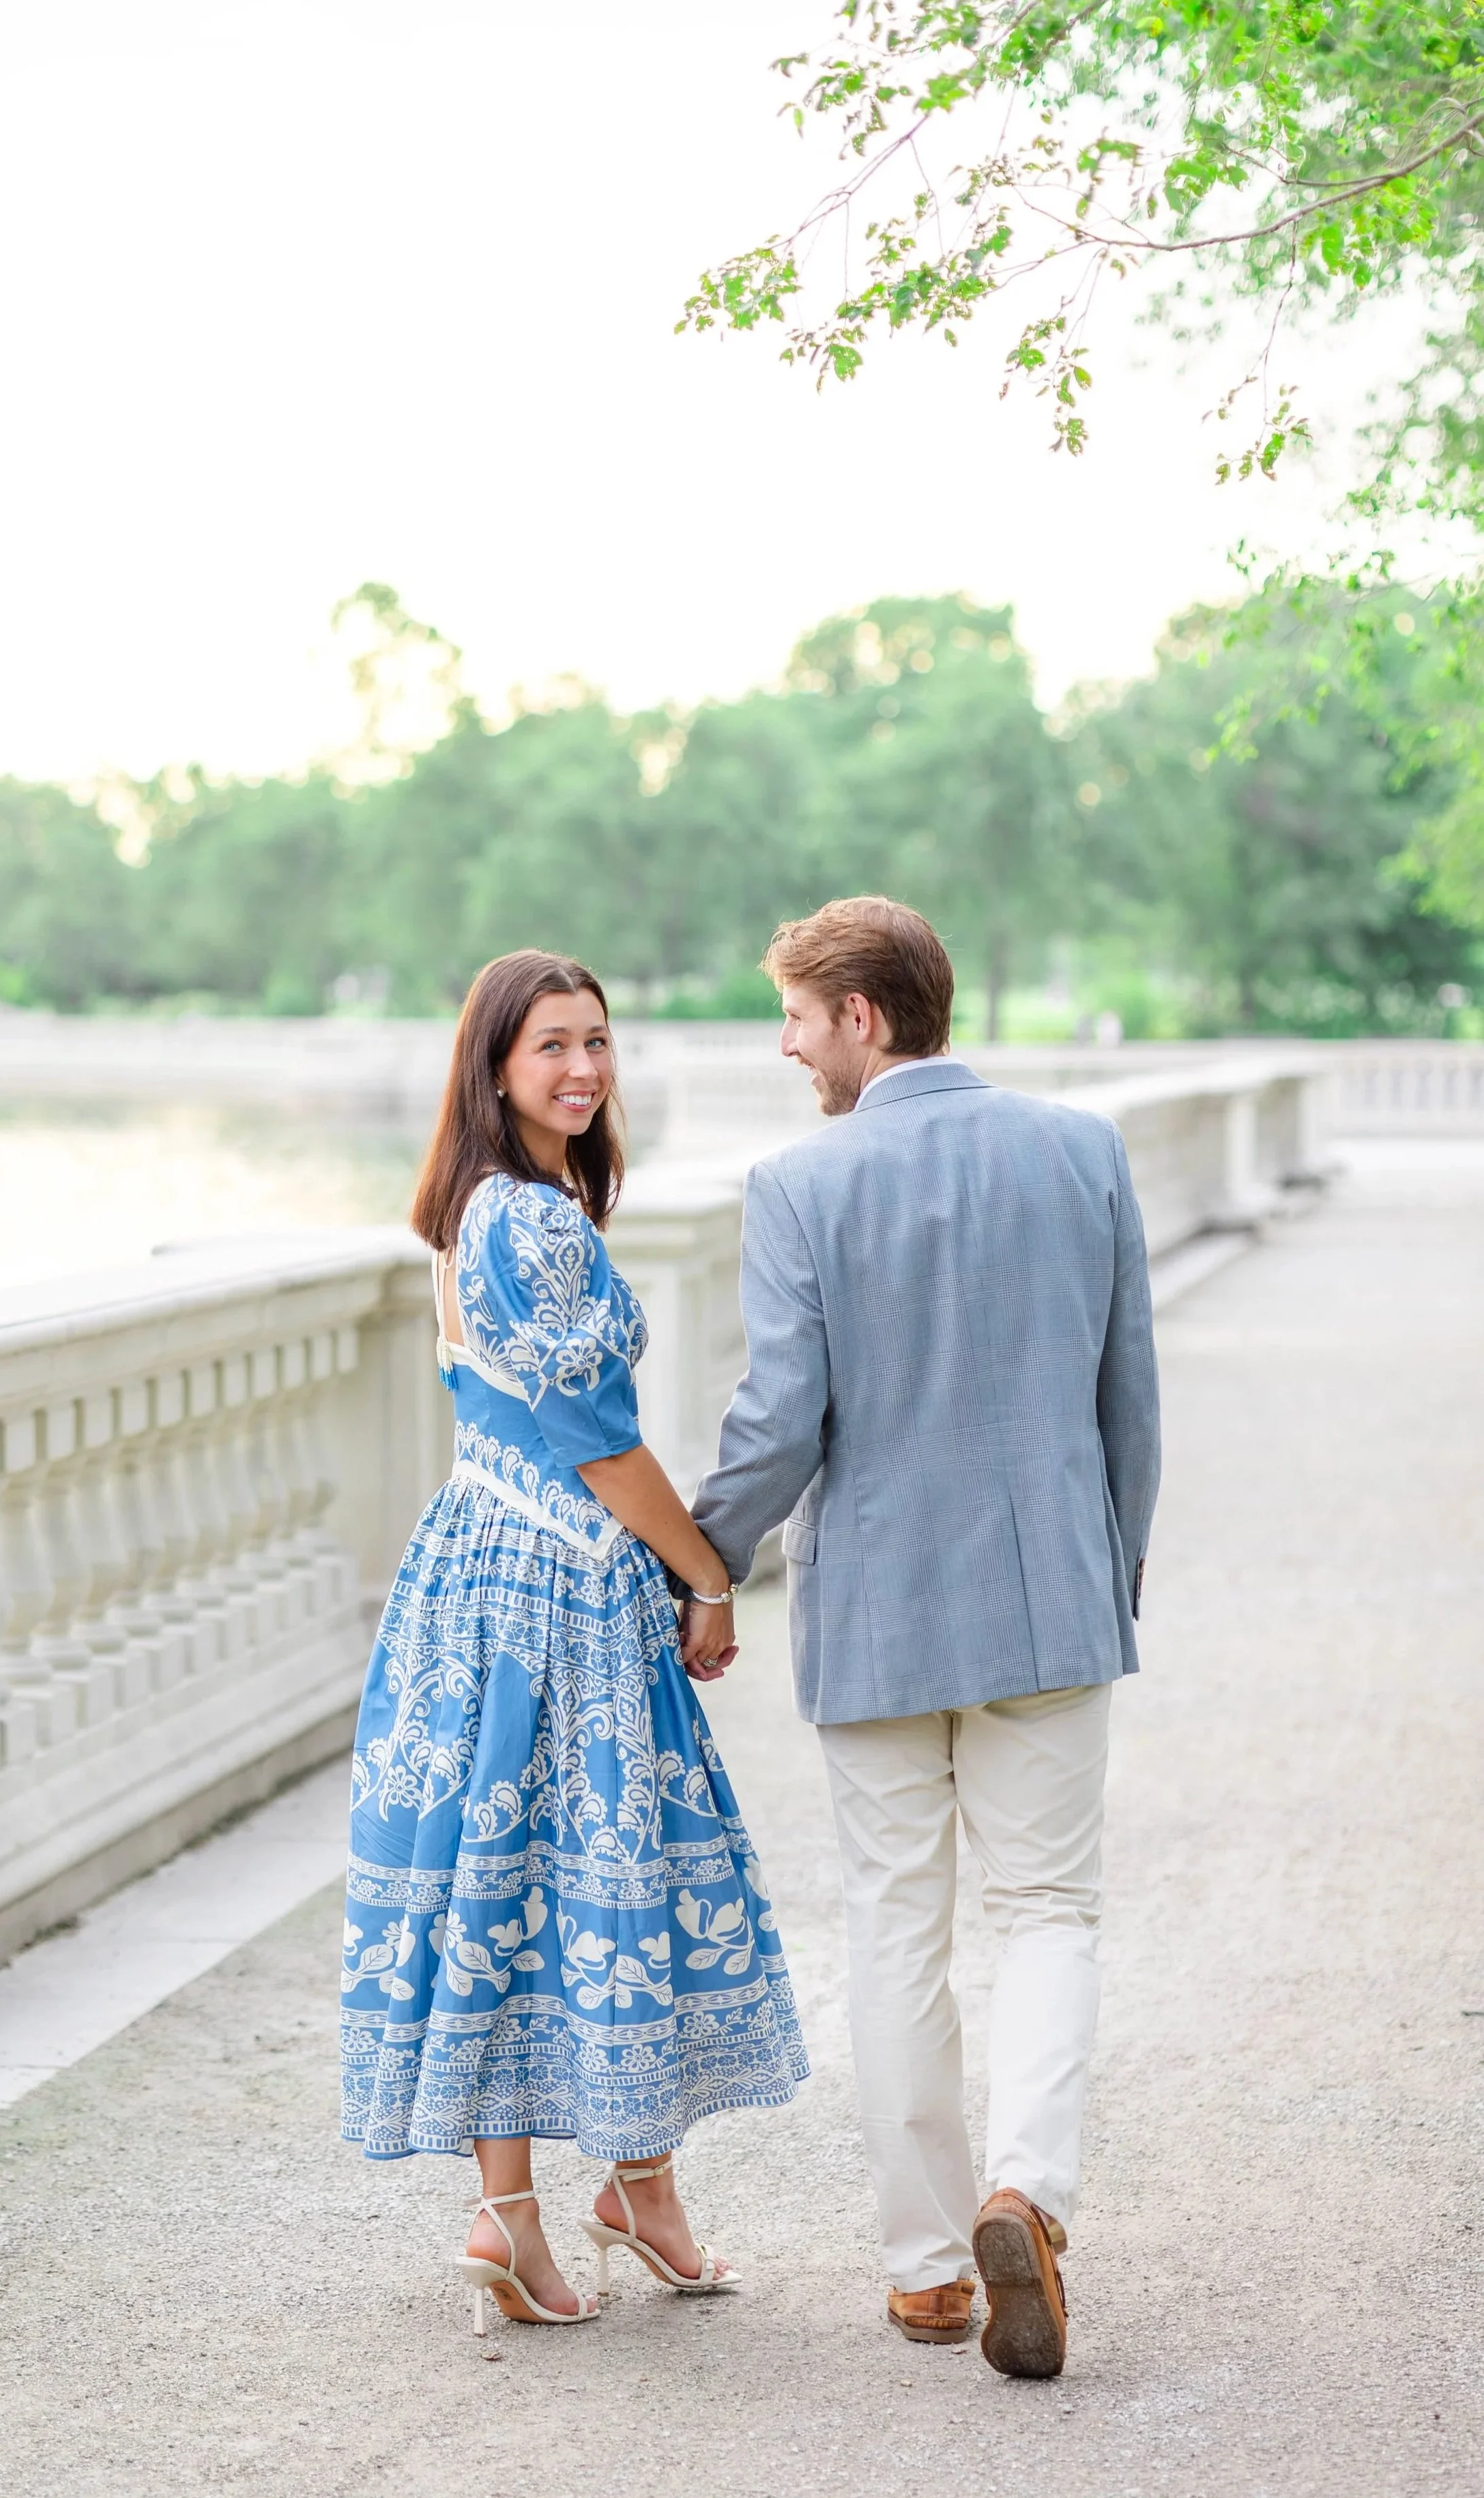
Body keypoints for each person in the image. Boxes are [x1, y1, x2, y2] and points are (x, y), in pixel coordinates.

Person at [686, 896, 1161, 2379]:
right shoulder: (1081, 1153)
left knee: (896, 1920)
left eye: (798, 1017)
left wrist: (695, 1565)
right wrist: (1105, 1578)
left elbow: (778, 1422)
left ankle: (924, 2270)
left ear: (864, 1018)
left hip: (882, 1609)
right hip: (1046, 1600)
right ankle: (1027, 2189)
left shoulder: (797, 1185)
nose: (786, 1045)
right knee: (1046, 1913)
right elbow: (1124, 1403)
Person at [340, 949, 808, 2333]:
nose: (585, 1070)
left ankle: (558, 2209)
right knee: (602, 1870)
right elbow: (599, 1445)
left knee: (517, 1878)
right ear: (494, 1066)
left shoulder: (481, 1208)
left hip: (485, 1563)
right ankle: (602, 2198)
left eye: (598, 1043)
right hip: (557, 1583)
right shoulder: (530, 1227)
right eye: (551, 1046)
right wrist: (707, 1572)